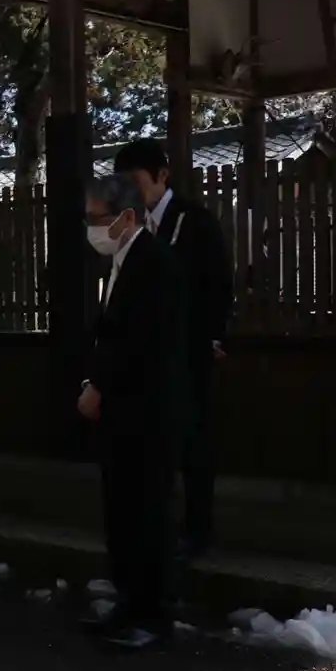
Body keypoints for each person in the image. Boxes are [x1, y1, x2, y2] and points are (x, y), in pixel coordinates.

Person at [77, 174, 186, 650]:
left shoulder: (154, 262)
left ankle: (152, 614)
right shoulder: (122, 260)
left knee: (147, 513)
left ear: (125, 216)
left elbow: (143, 341)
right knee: (122, 512)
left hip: (146, 410)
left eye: (95, 217)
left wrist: (100, 385)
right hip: (122, 411)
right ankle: (128, 603)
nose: (91, 227)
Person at [114, 139, 232, 561]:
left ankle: (198, 529)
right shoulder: (131, 225)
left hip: (189, 347)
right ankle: (158, 524)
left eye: (136, 181)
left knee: (194, 439)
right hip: (147, 353)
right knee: (154, 443)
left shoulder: (193, 221)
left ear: (161, 176)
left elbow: (218, 282)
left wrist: (213, 337)